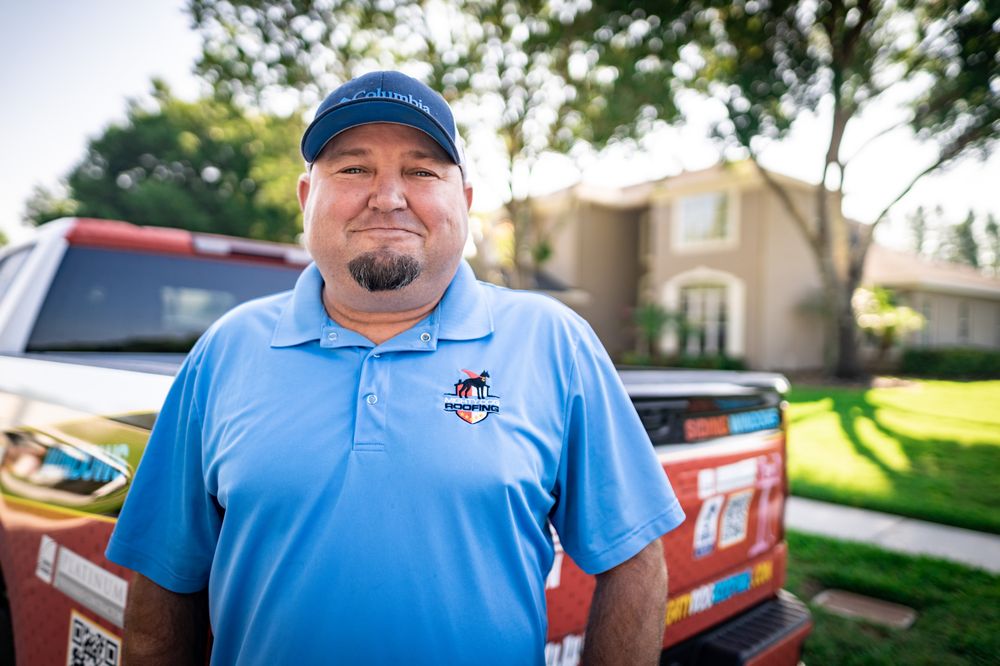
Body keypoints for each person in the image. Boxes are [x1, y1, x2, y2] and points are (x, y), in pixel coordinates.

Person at [106, 70, 685, 665]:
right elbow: (162, 583)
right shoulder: (226, 351)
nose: (387, 196)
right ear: (308, 199)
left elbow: (635, 561)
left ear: (463, 201)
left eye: (422, 170)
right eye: (353, 169)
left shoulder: (554, 343)